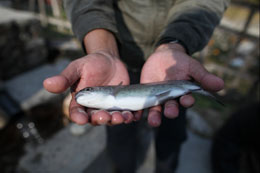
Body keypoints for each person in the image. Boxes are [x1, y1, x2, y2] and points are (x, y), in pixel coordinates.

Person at [43, 0, 229, 172]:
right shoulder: (109, 93)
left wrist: (175, 43)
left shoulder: (114, 92)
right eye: (88, 90)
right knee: (119, 136)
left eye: (89, 90)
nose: (85, 93)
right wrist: (102, 48)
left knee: (171, 133)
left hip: (171, 67)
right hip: (118, 63)